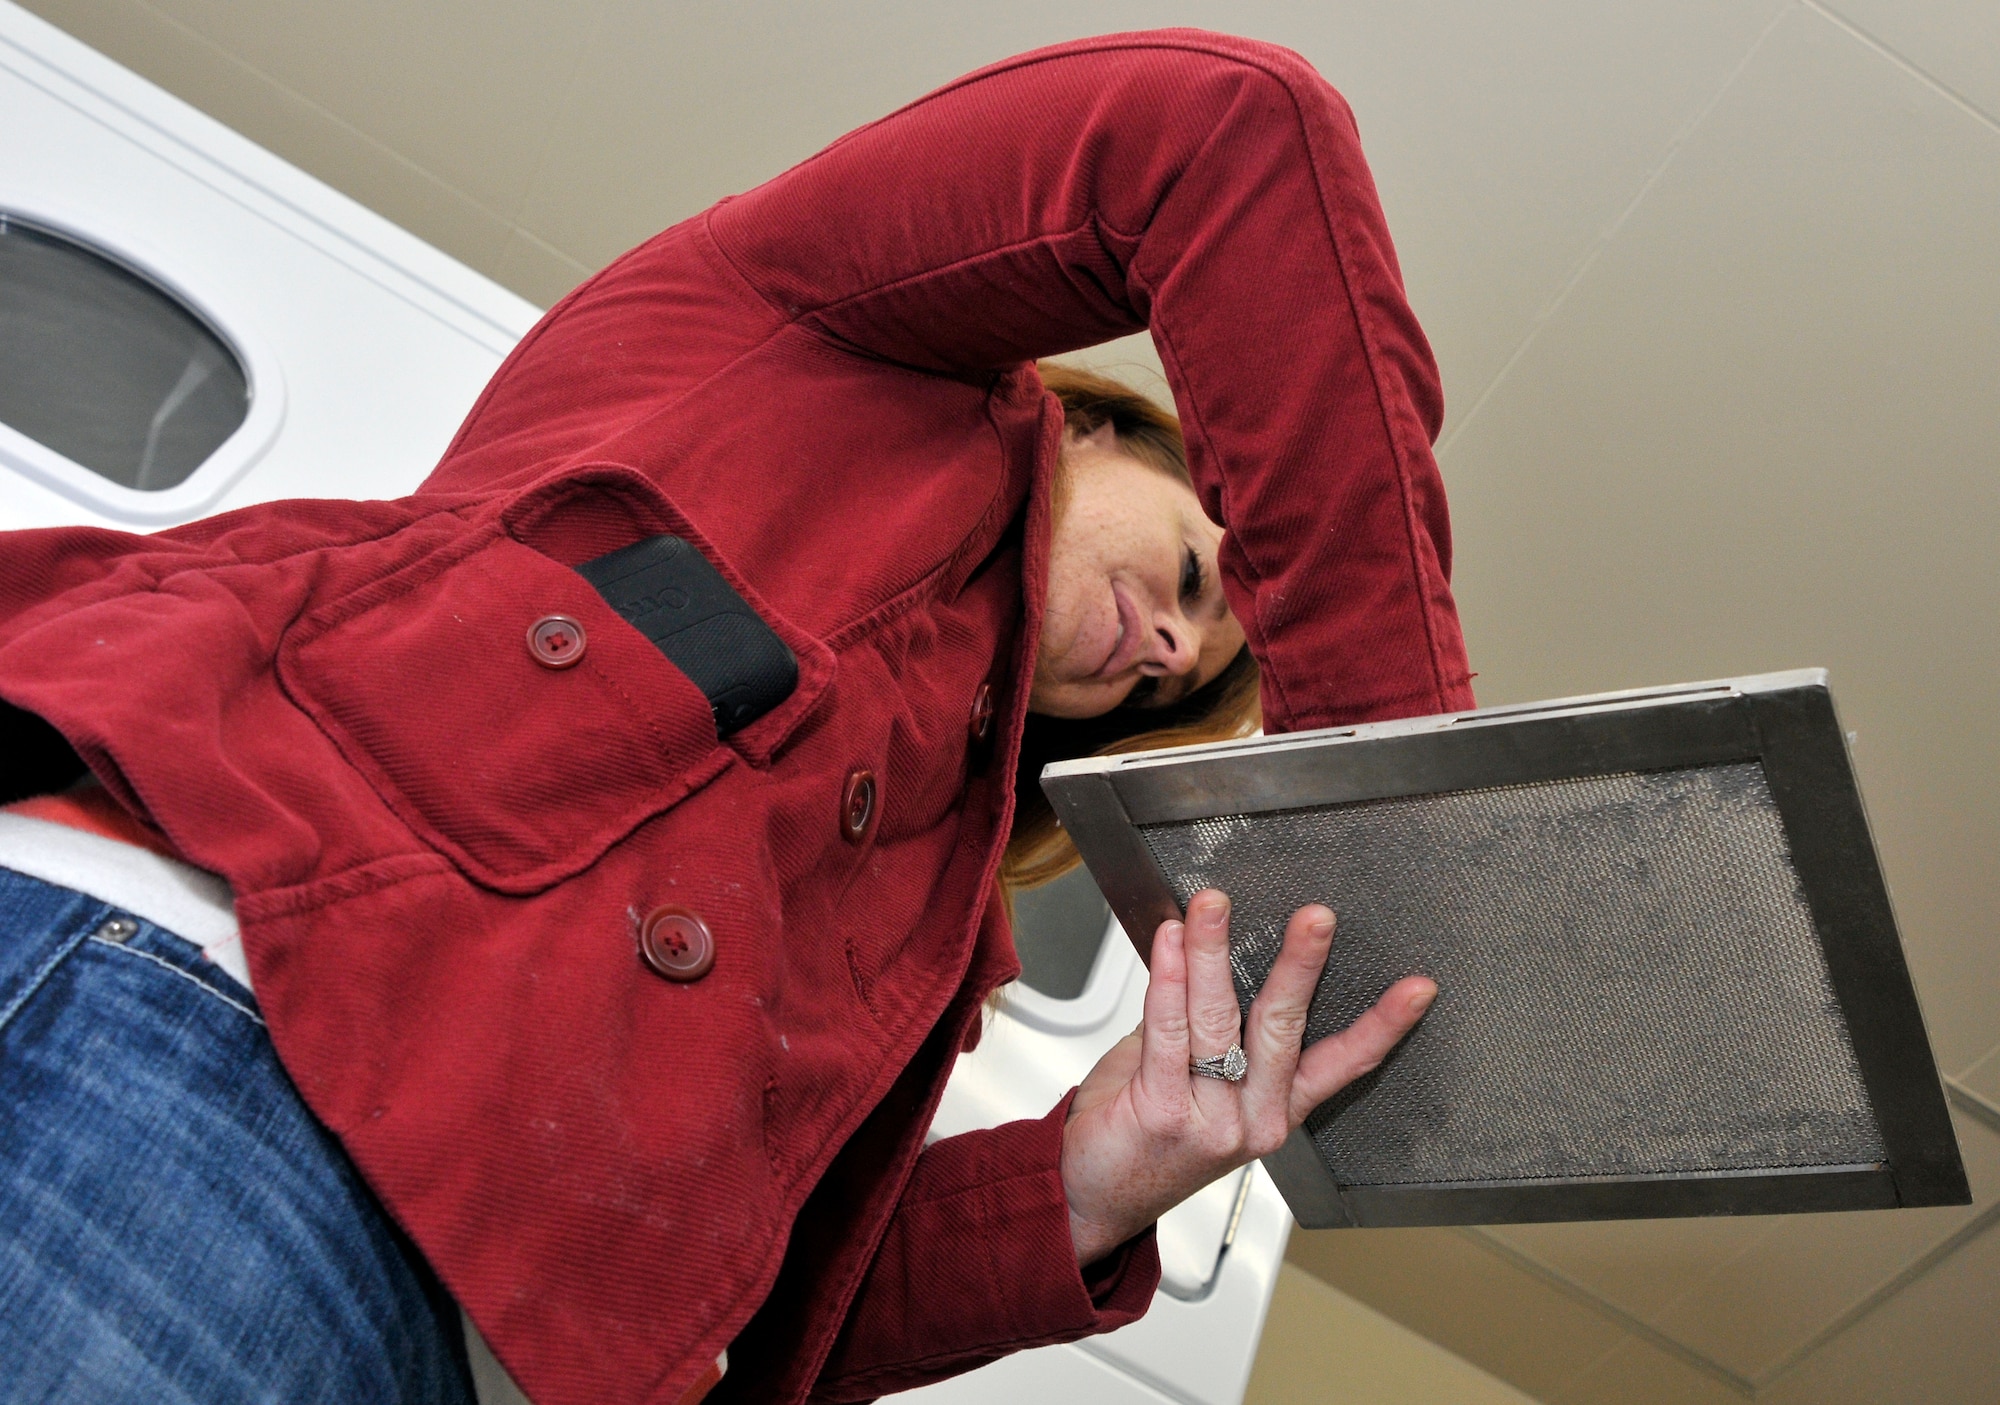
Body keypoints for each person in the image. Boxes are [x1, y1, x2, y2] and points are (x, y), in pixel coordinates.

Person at [0, 27, 1472, 1405]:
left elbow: (772, 1323)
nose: (1163, 643)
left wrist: (1099, 1172)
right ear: (1104, 426)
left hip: (459, 1352)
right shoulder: (817, 347)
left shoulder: (942, 950)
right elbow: (1219, 128)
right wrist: (1389, 800)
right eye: (1198, 580)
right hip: (221, 1027)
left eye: (1172, 676)